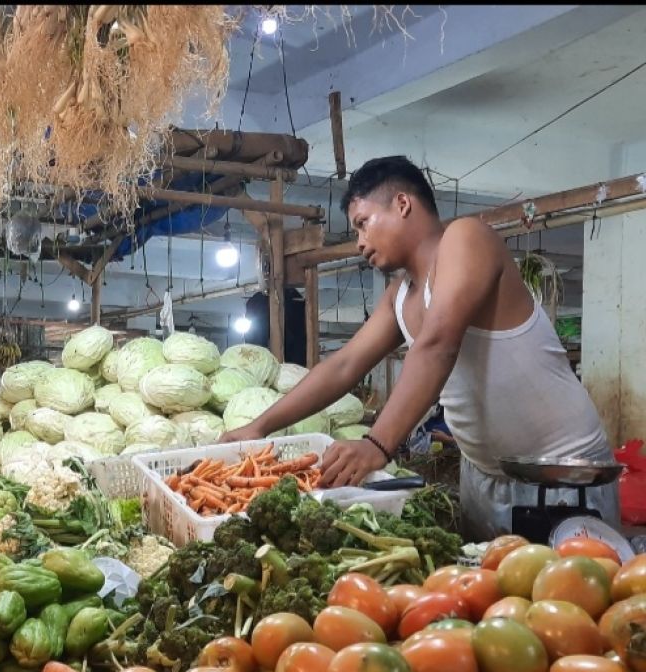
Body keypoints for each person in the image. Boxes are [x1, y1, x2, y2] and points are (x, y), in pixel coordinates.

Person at [221, 155, 616, 540]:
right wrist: (259, 427)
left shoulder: (466, 238)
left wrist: (377, 443)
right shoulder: (399, 296)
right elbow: (344, 366)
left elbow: (438, 342)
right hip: (483, 477)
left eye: (363, 224)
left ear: (403, 203)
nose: (359, 242)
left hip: (563, 473)